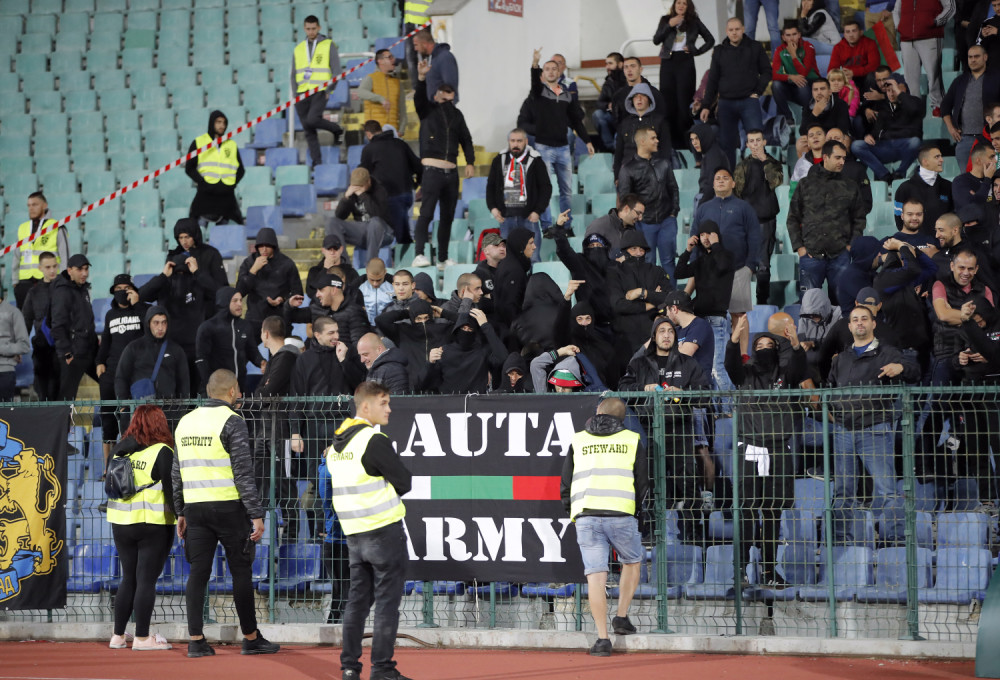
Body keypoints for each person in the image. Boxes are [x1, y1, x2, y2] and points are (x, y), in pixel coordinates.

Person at [171, 369, 279, 657]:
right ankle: (251, 637)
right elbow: (244, 474)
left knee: (198, 574)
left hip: (195, 509)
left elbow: (176, 472)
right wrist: (256, 514)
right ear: (232, 392)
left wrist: (180, 511)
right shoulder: (233, 421)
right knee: (240, 572)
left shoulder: (185, 422)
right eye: (239, 390)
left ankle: (195, 640)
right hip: (229, 508)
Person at [328, 381, 412, 680]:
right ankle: (383, 669)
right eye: (384, 402)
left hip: (354, 535)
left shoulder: (337, 445)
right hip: (383, 532)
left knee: (357, 603)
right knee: (387, 604)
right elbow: (405, 481)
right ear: (366, 406)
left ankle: (350, 668)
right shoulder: (372, 440)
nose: (389, 408)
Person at [560, 397, 647, 656]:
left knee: (595, 576)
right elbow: (642, 483)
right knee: (632, 561)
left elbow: (566, 481)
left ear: (598, 412)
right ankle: (621, 616)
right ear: (622, 418)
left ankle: (602, 640)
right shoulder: (632, 440)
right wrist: (634, 510)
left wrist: (573, 510)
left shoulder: (579, 439)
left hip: (586, 514)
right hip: (621, 513)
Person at [724, 315, 806, 588]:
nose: (764, 348)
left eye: (770, 344)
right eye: (759, 345)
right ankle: (740, 570)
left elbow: (799, 370)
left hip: (779, 449)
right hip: (748, 448)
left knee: (773, 513)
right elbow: (731, 364)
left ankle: (770, 571)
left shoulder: (785, 375)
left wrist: (795, 345)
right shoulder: (744, 374)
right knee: (747, 512)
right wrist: (734, 340)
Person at [827, 306, 918, 514]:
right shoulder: (841, 359)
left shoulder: (888, 353)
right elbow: (830, 389)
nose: (860, 323)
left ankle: (896, 541)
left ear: (873, 323)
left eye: (864, 319)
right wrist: (836, 416)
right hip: (843, 432)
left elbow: (915, 372)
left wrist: (901, 368)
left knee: (887, 491)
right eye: (855, 319)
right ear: (849, 326)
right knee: (842, 493)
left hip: (874, 429)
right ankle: (842, 542)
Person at [106, 405, 177, 652]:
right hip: (152, 522)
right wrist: (182, 518)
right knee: (146, 580)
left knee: (128, 578)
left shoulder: (119, 449)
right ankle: (142, 638)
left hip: (120, 522)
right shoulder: (163, 451)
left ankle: (117, 636)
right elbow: (171, 491)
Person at [412, 61, 474, 268]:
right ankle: (419, 253)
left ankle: (442, 258)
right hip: (431, 170)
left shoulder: (457, 116)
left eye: (450, 92)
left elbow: (466, 139)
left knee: (447, 217)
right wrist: (421, 79)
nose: (447, 95)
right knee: (427, 213)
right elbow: (419, 99)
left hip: (451, 172)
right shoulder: (428, 110)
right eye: (443, 92)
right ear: (437, 94)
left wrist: (470, 161)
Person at [788, 141, 867, 305]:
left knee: (843, 304)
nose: (842, 162)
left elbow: (859, 219)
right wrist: (800, 248)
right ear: (825, 157)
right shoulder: (805, 184)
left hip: (840, 255)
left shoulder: (850, 186)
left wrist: (850, 247)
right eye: (838, 158)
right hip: (810, 255)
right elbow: (793, 218)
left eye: (844, 158)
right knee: (809, 307)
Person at [528, 48, 594, 236]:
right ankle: (547, 225)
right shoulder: (539, 92)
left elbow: (575, 120)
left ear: (559, 72)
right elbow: (534, 81)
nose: (550, 72)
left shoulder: (567, 94)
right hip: (544, 147)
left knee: (566, 191)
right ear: (543, 73)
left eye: (553, 69)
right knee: (546, 189)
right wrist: (535, 63)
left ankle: (566, 225)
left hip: (563, 148)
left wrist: (587, 140)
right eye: (546, 69)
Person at [691, 167, 762, 328]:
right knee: (709, 315)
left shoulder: (744, 208)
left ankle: (743, 353)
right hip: (708, 272)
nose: (721, 180)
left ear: (733, 183)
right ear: (713, 184)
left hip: (738, 269)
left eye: (725, 177)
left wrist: (750, 266)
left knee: (739, 315)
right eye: (718, 178)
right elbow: (694, 236)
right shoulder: (703, 208)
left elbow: (755, 236)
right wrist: (695, 264)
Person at [700, 17, 772, 166]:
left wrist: (758, 91)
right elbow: (712, 80)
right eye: (731, 30)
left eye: (737, 29)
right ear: (726, 31)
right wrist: (706, 105)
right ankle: (730, 180)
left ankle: (759, 175)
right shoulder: (719, 51)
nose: (734, 33)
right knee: (727, 144)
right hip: (726, 103)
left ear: (743, 29)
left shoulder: (755, 47)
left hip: (749, 101)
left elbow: (767, 71)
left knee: (756, 141)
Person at [617, 127, 680, 277]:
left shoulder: (664, 163)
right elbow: (626, 199)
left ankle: (671, 298)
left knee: (669, 261)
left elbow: (673, 188)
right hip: (643, 224)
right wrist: (636, 221)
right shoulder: (628, 169)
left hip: (667, 220)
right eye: (653, 138)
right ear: (642, 141)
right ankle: (652, 298)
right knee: (647, 261)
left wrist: (673, 212)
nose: (657, 141)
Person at [653, 0, 715, 150]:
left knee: (683, 102)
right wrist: (670, 25)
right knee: (668, 103)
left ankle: (686, 143)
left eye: (684, 3)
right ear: (674, 5)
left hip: (685, 62)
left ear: (689, 7)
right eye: (678, 2)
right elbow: (656, 40)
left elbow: (710, 40)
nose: (681, 6)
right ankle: (670, 143)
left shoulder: (694, 21)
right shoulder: (665, 20)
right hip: (668, 61)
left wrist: (696, 51)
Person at [486, 127, 552, 260]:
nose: (515, 144)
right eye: (512, 141)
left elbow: (546, 188)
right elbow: (490, 187)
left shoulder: (536, 160)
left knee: (533, 258)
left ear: (526, 141)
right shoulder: (498, 160)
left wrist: (538, 211)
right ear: (509, 142)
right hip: (506, 218)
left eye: (519, 141)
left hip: (528, 218)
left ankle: (533, 282)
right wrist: (493, 208)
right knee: (507, 259)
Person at [97, 275, 144, 459]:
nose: (122, 292)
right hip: (111, 371)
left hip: (134, 373)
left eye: (126, 288)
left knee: (129, 417)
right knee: (107, 418)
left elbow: (149, 332)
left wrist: (138, 304)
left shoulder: (141, 311)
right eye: (118, 289)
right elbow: (106, 342)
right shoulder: (110, 315)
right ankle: (108, 468)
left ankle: (130, 460)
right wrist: (99, 362)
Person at [734, 129, 783, 304]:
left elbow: (776, 182)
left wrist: (764, 161)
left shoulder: (773, 163)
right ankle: (741, 304)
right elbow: (737, 194)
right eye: (751, 141)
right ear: (747, 145)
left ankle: (762, 302)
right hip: (746, 223)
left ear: (764, 142)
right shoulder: (742, 166)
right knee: (741, 265)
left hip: (766, 221)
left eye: (758, 141)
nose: (755, 144)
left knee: (763, 267)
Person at [359, 120, 422, 257]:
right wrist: (416, 185)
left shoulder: (369, 150)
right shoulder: (401, 144)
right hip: (406, 195)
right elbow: (418, 166)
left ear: (368, 134)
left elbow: (363, 175)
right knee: (402, 230)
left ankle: (406, 263)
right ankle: (403, 260)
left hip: (388, 197)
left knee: (400, 236)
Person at [608, 230, 673, 354]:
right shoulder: (615, 273)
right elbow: (618, 305)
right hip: (624, 338)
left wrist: (643, 293)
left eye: (642, 249)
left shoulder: (656, 271)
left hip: (652, 336)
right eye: (634, 248)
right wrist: (651, 303)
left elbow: (670, 297)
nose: (638, 253)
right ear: (625, 250)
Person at [291, 15, 343, 167]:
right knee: (308, 129)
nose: (311, 31)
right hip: (301, 93)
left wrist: (329, 89)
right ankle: (317, 161)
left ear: (319, 28)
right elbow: (293, 74)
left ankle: (337, 130)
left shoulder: (328, 44)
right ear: (304, 29)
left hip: (319, 90)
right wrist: (295, 94)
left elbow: (337, 70)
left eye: (314, 28)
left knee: (313, 119)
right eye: (308, 29)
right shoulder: (298, 48)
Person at [851, 76, 923, 182]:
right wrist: (868, 136)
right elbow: (876, 131)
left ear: (904, 90)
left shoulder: (914, 102)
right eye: (888, 90)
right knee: (857, 145)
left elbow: (913, 108)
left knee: (915, 142)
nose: (891, 93)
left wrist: (899, 93)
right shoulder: (883, 107)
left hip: (904, 146)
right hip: (885, 146)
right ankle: (884, 175)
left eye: (895, 89)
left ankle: (899, 173)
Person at [236, 227, 303, 338]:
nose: (264, 249)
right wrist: (253, 270)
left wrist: (282, 299)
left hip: (279, 317)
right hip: (254, 317)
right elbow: (239, 291)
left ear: (274, 246)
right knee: (246, 352)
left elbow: (297, 292)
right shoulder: (249, 262)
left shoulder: (287, 263)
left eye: (268, 246)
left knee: (279, 354)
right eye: (261, 246)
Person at [195, 287, 265, 394]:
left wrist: (262, 362)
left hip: (239, 389)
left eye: (241, 300)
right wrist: (210, 384)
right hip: (216, 389)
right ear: (224, 302)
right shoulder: (208, 327)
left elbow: (252, 352)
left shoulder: (245, 326)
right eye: (235, 300)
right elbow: (202, 359)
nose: (239, 304)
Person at [942, 46, 1000, 170]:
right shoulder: (960, 81)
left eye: (976, 56)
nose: (973, 60)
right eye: (970, 57)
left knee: (993, 177)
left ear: (985, 57)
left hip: (991, 138)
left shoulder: (996, 78)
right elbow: (945, 106)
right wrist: (951, 128)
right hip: (965, 139)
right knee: (967, 180)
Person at [51, 254, 98, 400]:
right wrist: (67, 353)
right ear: (70, 270)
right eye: (80, 269)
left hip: (88, 349)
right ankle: (62, 424)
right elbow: (57, 326)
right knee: (66, 398)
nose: (84, 273)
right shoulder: (62, 291)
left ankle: (115, 421)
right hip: (73, 354)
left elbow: (86, 321)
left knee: (110, 380)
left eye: (86, 269)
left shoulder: (82, 289)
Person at [895, 0, 954, 117]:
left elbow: (951, 7)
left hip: (930, 35)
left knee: (933, 73)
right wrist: (899, 26)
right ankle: (913, 106)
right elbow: (896, 10)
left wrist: (936, 22)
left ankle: (938, 104)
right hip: (906, 38)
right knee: (910, 76)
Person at [185, 110, 245, 224]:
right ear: (212, 123)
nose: (222, 125)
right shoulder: (199, 142)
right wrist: (202, 182)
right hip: (205, 194)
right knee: (198, 232)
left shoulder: (231, 144)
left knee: (225, 234)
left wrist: (232, 184)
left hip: (226, 196)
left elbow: (241, 170)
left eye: (224, 123)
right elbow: (189, 167)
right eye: (218, 122)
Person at [12, 192, 69, 309]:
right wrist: (15, 280)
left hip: (49, 280)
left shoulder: (57, 226)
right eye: (29, 205)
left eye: (35, 204)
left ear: (44, 205)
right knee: (23, 321)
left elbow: (65, 256)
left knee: (51, 319)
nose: (31, 208)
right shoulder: (22, 228)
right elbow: (16, 255)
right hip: (24, 282)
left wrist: (63, 280)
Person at [20, 251, 60, 400]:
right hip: (41, 349)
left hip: (61, 348)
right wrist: (20, 347)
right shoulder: (34, 292)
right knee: (42, 393)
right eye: (48, 267)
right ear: (40, 268)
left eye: (54, 266)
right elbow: (26, 321)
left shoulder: (65, 290)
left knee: (60, 394)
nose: (52, 270)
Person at [614, 83, 673, 179]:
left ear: (649, 99)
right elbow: (618, 153)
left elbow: (665, 150)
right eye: (636, 96)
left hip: (653, 172)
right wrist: (617, 176)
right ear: (631, 100)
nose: (639, 98)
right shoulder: (624, 123)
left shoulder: (660, 121)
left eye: (643, 95)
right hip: (628, 172)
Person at [771, 22, 821, 121]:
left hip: (810, 82)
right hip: (792, 82)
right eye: (788, 35)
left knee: (801, 84)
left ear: (799, 35)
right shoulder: (779, 50)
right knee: (776, 85)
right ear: (783, 37)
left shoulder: (808, 47)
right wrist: (790, 77)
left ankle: (809, 117)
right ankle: (788, 118)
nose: (792, 38)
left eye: (794, 34)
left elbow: (803, 73)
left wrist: (793, 55)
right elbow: (774, 74)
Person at [356, 49, 407, 133]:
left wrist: (401, 130)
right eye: (389, 57)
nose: (393, 60)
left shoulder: (397, 82)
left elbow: (402, 109)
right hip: (375, 133)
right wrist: (380, 99)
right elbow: (360, 92)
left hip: (393, 132)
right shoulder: (371, 78)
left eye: (393, 57)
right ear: (380, 61)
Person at [584, 193, 645, 259]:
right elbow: (591, 261)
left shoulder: (633, 230)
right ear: (626, 209)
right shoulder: (599, 226)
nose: (640, 218)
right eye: (638, 213)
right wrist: (616, 263)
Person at [829, 19, 882, 91]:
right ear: (844, 34)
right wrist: (842, 75)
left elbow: (874, 66)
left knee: (872, 76)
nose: (851, 35)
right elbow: (832, 69)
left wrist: (853, 72)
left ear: (861, 32)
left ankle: (869, 100)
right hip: (848, 78)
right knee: (835, 78)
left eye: (854, 31)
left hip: (865, 77)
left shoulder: (870, 43)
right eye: (847, 32)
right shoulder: (838, 47)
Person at [412, 27, 459, 101]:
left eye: (416, 45)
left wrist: (446, 109)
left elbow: (450, 88)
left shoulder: (444, 57)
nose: (415, 49)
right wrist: (421, 76)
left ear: (424, 44)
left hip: (443, 109)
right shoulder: (432, 59)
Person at [688, 123, 731, 203]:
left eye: (697, 138)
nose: (694, 143)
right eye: (692, 139)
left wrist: (702, 205)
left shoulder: (713, 155)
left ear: (704, 136)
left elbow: (712, 184)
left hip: (713, 203)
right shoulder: (710, 153)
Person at [593, 52, 627, 150]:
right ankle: (609, 147)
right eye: (606, 63)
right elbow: (599, 102)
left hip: (627, 119)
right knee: (597, 114)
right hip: (613, 117)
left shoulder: (630, 80)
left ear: (620, 64)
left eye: (610, 63)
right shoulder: (608, 83)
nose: (607, 67)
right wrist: (609, 105)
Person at [0, 286, 28, 401]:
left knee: (5, 417)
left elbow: (24, 345)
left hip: (5, 373)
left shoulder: (13, 312)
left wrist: (2, 348)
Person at [953, 143, 996, 211]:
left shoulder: (996, 179)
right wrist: (987, 179)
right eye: (991, 157)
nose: (995, 161)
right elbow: (971, 206)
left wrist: (977, 196)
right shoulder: (961, 181)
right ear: (978, 161)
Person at [359, 257, 394, 325]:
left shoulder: (395, 284)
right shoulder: (358, 285)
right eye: (371, 279)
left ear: (385, 272)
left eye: (379, 280)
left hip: (388, 326)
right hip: (365, 326)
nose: (375, 284)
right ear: (367, 271)